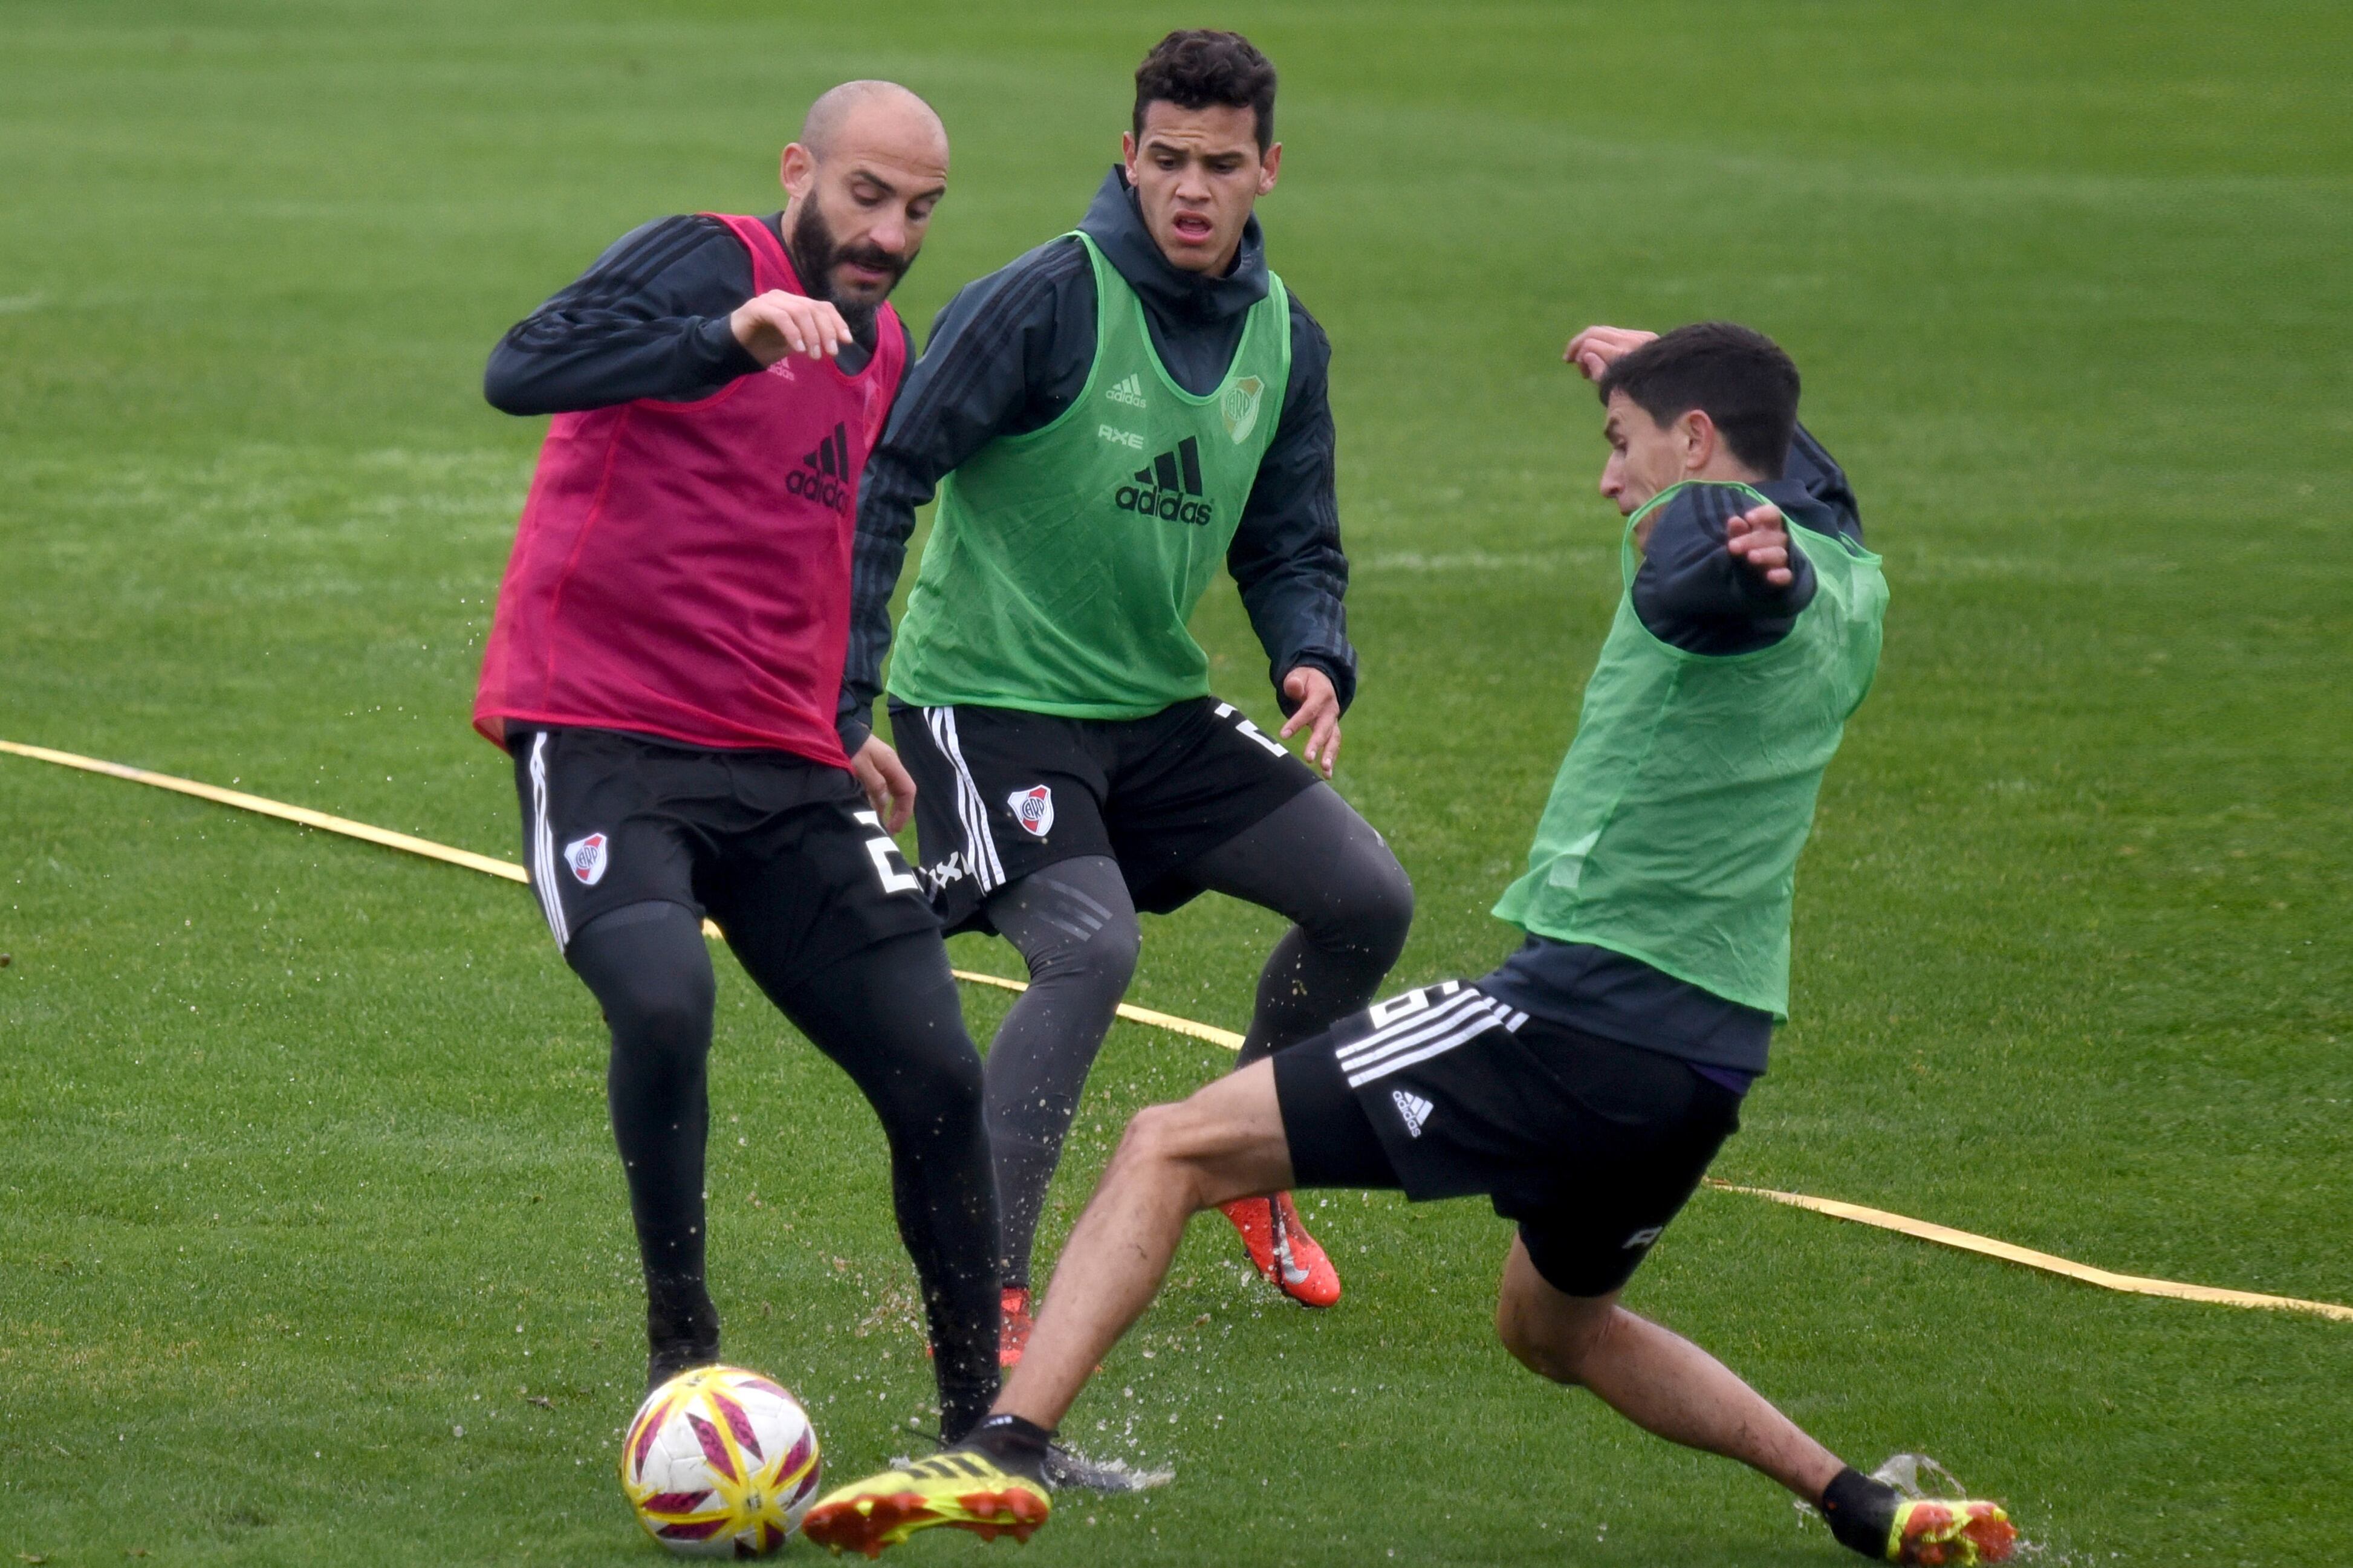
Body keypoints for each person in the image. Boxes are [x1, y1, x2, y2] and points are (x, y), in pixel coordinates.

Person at [802, 323, 2021, 1565]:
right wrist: (1709, 440)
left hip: (1572, 1018)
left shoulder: (1704, 545)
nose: (1608, 477)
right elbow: (1806, 497)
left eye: (1621, 442)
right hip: (1707, 1065)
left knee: (1165, 1144)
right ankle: (1858, 1504)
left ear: (1697, 442)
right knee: (1554, 1331)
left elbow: (1696, 576)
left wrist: (1721, 548)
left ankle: (1001, 1447)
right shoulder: (1849, 579)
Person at [841, 28, 1414, 1355]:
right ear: (1128, 155)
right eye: (1166, 160)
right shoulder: (1040, 301)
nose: (1190, 188)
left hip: (1146, 710)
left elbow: (1290, 537)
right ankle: (978, 1287)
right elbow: (887, 476)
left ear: (1267, 168)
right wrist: (847, 698)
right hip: (983, 703)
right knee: (1091, 944)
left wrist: (1311, 652)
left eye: (1220, 164)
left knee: (1364, 901)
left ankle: (1247, 1165)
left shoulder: (1287, 339)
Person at [471, 83, 1007, 1440]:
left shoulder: (881, 349)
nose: (889, 234)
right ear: (800, 171)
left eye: (919, 210)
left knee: (940, 1076)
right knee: (661, 1001)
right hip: (602, 734)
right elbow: (519, 367)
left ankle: (982, 1425)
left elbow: (809, 549)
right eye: (868, 196)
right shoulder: (708, 259)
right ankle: (682, 1356)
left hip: (779, 768)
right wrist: (722, 335)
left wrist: (838, 722)